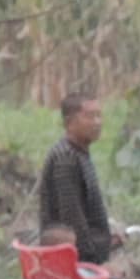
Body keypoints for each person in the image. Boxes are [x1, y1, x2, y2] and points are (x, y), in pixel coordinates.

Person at [36, 93, 114, 266]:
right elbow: (72, 221)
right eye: (89, 116)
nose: (97, 122)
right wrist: (94, 263)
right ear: (69, 123)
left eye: (99, 115)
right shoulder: (66, 158)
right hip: (72, 263)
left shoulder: (79, 153)